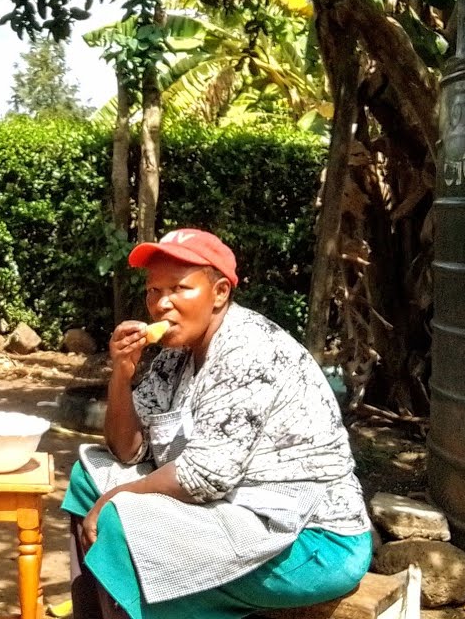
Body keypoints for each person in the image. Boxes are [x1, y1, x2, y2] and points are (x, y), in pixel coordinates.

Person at [62, 228, 372, 619]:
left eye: (179, 288)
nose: (161, 305)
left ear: (220, 293)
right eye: (153, 291)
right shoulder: (176, 357)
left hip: (311, 540)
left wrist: (116, 500)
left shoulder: (251, 352)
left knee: (124, 521)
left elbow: (202, 478)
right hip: (228, 509)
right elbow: (128, 450)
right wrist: (122, 374)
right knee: (87, 478)